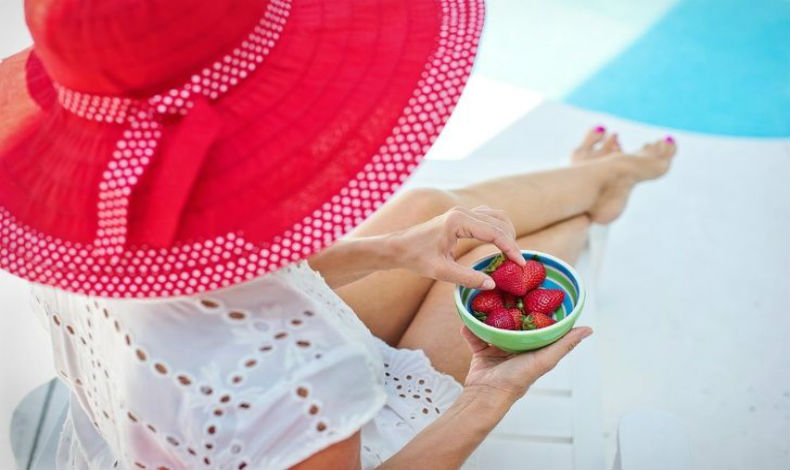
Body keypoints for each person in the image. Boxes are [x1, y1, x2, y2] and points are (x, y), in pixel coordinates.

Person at [0, 0, 675, 468]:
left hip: (172, 418)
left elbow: (214, 280)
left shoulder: (79, 230)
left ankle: (599, 187)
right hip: (302, 432)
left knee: (431, 208)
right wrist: (491, 394)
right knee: (490, 265)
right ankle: (593, 199)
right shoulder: (302, 370)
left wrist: (389, 251)